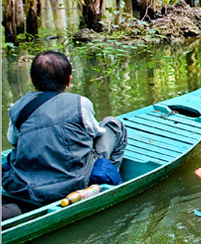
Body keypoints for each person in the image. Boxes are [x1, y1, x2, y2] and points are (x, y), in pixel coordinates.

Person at [2, 51, 128, 218]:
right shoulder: (80, 103)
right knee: (114, 124)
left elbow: (13, 140)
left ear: (31, 80)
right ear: (68, 80)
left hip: (26, 186)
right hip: (74, 182)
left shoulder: (18, 107)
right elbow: (95, 133)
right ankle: (102, 184)